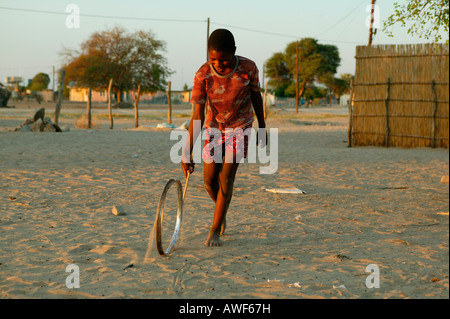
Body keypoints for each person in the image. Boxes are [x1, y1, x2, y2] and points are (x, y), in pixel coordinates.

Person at [182, 29, 266, 247]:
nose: (219, 65)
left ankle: (215, 228)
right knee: (209, 180)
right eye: (213, 60)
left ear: (234, 52)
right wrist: (186, 151)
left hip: (240, 125)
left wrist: (263, 127)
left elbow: (256, 97)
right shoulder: (202, 75)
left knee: (226, 177)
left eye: (224, 60)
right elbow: (197, 117)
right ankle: (222, 211)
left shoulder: (248, 68)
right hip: (214, 128)